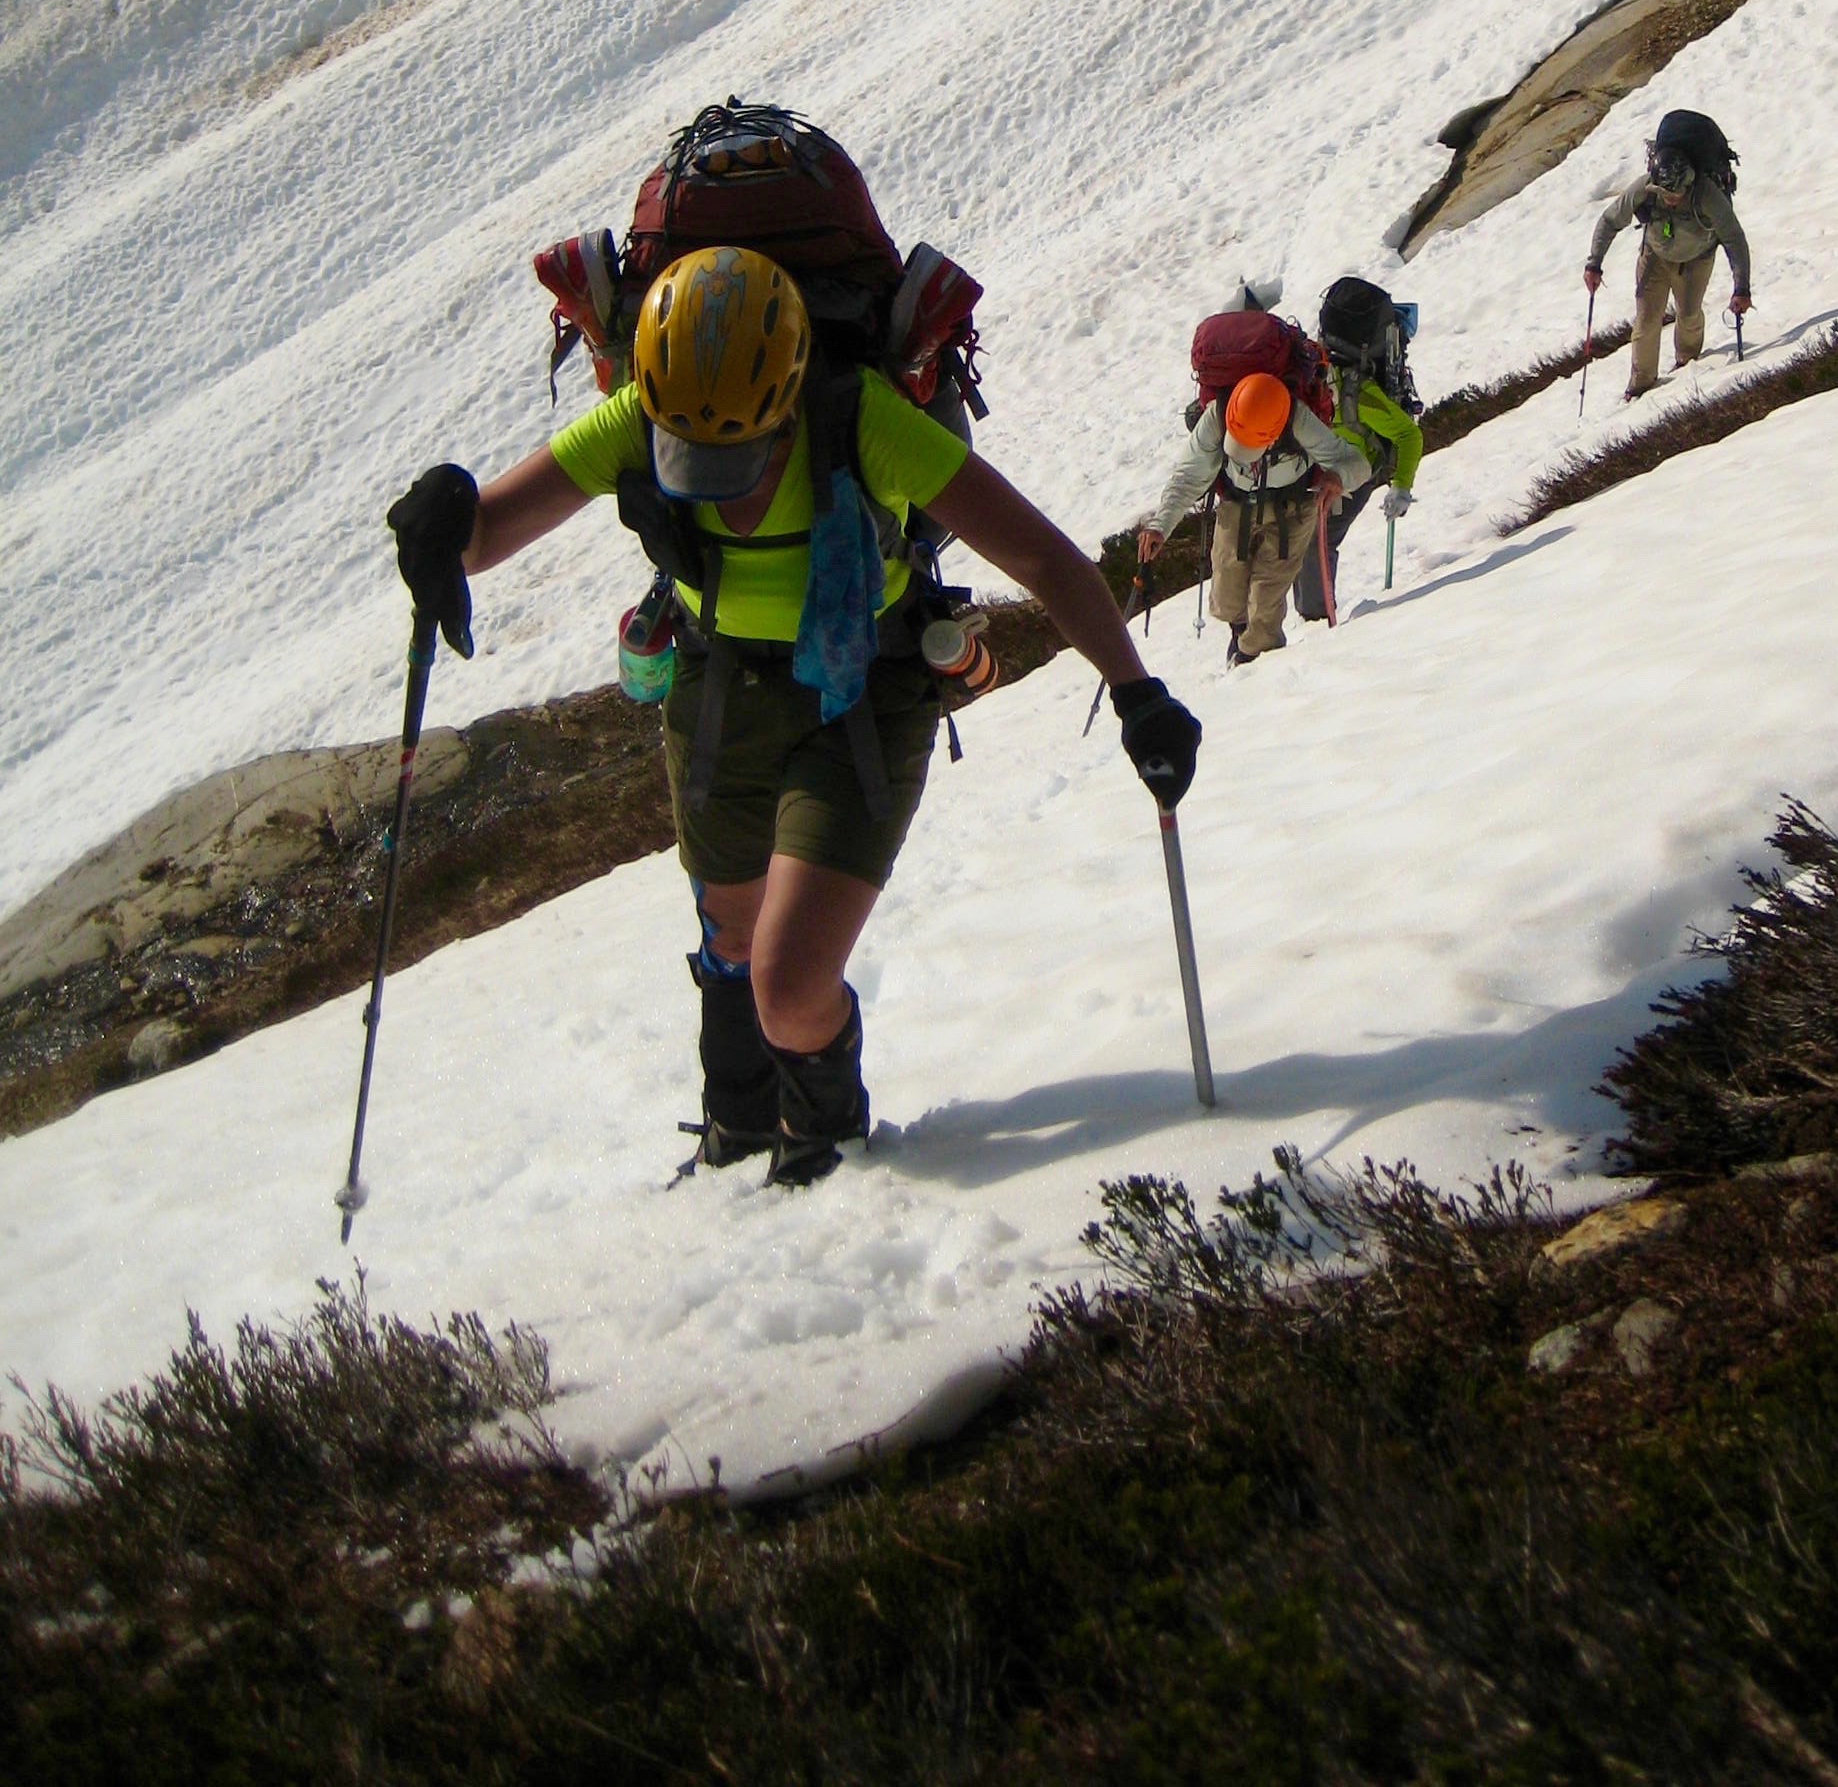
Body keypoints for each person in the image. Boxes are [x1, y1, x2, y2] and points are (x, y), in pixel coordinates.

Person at [386, 243, 1200, 1184]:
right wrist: (445, 517)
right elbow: (485, 534)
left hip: (863, 694)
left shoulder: (865, 420)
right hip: (718, 691)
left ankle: (826, 1153)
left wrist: (1137, 691)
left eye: (741, 447)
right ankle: (736, 1140)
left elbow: (1045, 558)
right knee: (731, 943)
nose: (716, 472)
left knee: (788, 980)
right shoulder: (641, 414)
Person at [1139, 369, 1369, 665]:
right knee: (1226, 597)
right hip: (1237, 506)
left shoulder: (1296, 418)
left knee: (1266, 606)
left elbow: (1355, 463)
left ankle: (1254, 667)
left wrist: (1339, 477)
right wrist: (1160, 525)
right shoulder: (1217, 415)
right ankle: (1241, 638)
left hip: (1292, 511)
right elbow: (1188, 477)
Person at [1584, 122, 1752, 400]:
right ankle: (1639, 384)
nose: (1670, 200)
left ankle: (1687, 364)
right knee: (1647, 320)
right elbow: (1610, 220)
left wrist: (1741, 288)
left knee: (1688, 316)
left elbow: (1734, 238)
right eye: (1664, 195)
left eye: (1675, 195)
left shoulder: (1707, 195)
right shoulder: (1645, 188)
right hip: (1654, 257)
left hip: (1696, 260)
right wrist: (1594, 263)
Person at [1294, 279, 1424, 621]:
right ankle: (1315, 616)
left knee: (1316, 543)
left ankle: (1319, 621)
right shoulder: (1333, 385)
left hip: (1355, 473)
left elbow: (1409, 436)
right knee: (1306, 541)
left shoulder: (1356, 392)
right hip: (1318, 470)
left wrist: (1401, 487)